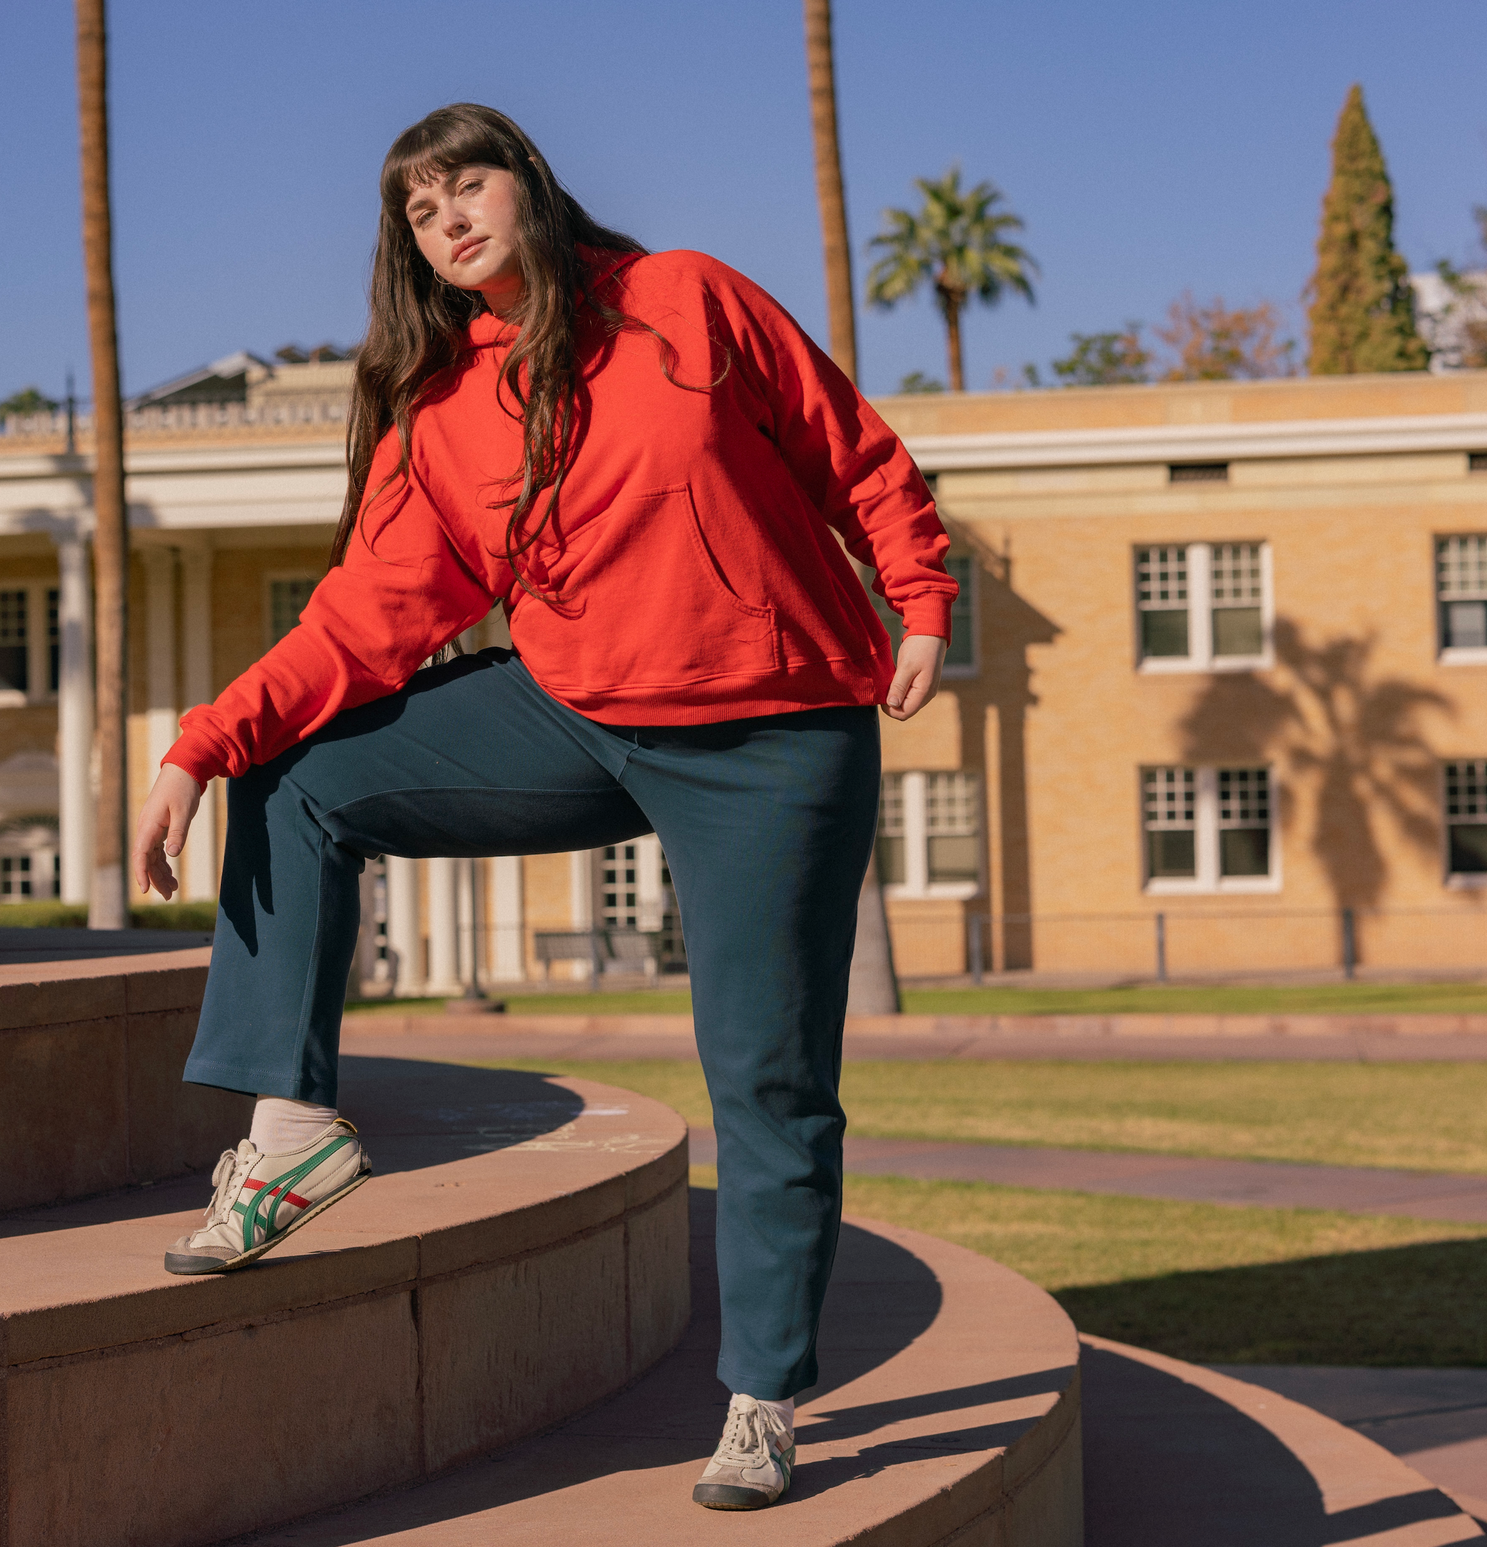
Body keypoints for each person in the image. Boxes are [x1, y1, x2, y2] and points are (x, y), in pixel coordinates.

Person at [130, 103, 955, 1513]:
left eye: (468, 184)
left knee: (765, 1078)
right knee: (303, 768)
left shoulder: (685, 302)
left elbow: (851, 450)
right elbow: (364, 620)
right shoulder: (436, 413)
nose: (448, 218)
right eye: (417, 210)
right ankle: (292, 1133)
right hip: (579, 712)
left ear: (528, 182)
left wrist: (919, 591)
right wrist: (201, 744)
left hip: (772, 735)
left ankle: (761, 1399)